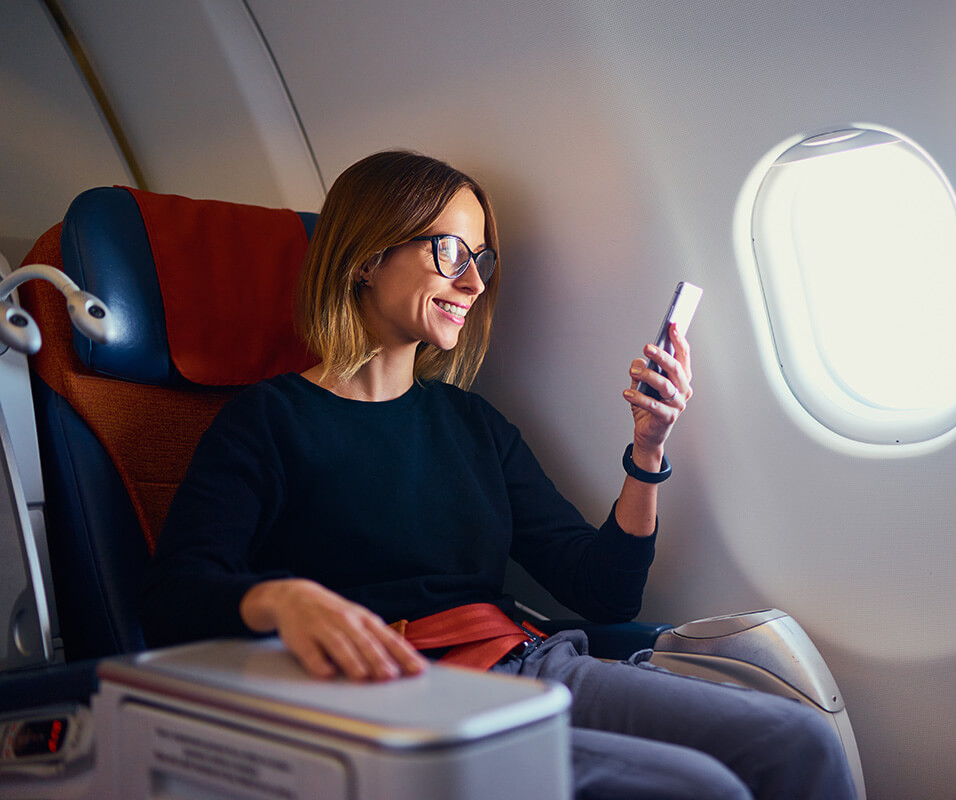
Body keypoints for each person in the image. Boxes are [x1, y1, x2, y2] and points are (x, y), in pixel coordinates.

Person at [140, 149, 858, 800]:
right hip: (395, 694)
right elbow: (175, 595)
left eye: (481, 260)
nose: (473, 282)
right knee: (701, 790)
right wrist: (281, 601)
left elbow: (603, 591)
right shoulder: (267, 421)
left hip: (528, 663)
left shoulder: (471, 425)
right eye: (450, 251)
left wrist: (648, 447)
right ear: (364, 257)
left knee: (797, 741)